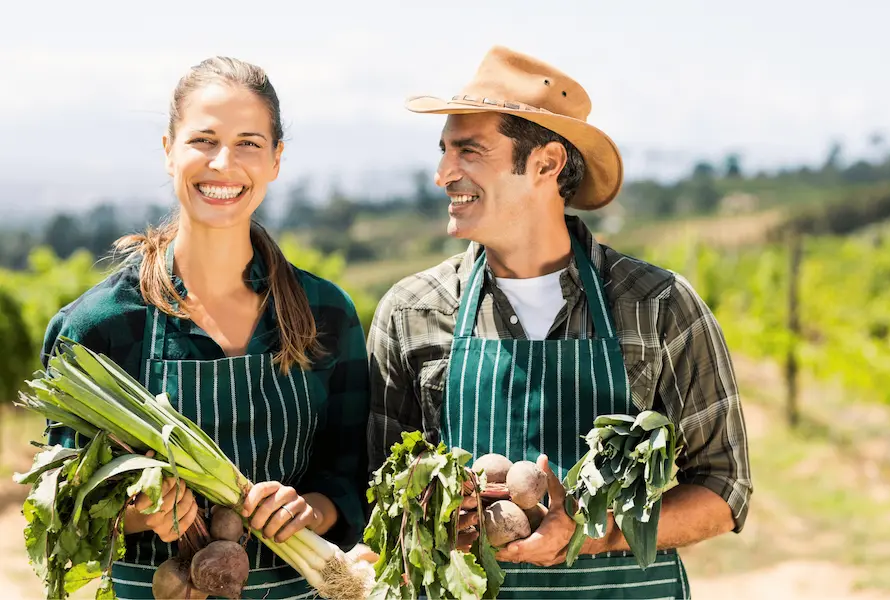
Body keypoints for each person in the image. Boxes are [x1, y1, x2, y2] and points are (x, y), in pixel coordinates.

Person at [367, 46, 752, 599]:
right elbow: (380, 495)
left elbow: (724, 490)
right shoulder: (412, 311)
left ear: (545, 164)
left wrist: (593, 534)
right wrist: (436, 515)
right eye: (445, 152)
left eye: (469, 152)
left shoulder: (659, 305)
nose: (442, 175)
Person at [40, 57, 370, 599]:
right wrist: (139, 514)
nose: (224, 163)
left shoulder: (324, 312)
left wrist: (313, 508)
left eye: (248, 142)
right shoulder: (98, 328)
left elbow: (352, 471)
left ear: (276, 160)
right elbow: (61, 512)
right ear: (169, 150)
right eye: (204, 140)